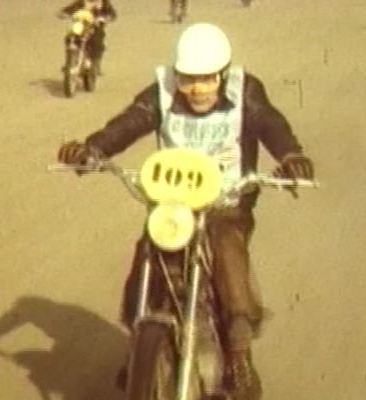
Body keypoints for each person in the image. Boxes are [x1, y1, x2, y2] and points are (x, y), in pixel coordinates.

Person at [56, 22, 315, 400]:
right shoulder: (161, 93)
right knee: (149, 249)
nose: (196, 88)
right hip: (174, 203)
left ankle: (240, 355)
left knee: (227, 249)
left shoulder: (247, 92)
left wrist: (291, 155)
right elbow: (128, 123)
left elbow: (271, 124)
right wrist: (93, 150)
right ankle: (138, 344)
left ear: (223, 75)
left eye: (207, 79)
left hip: (226, 203)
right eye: (188, 78)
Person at [57, 0, 117, 74]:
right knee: (69, 37)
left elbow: (112, 14)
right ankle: (70, 61)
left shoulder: (104, 2)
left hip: (95, 27)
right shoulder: (82, 1)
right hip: (81, 26)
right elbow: (70, 9)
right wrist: (64, 13)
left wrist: (104, 18)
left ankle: (95, 64)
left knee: (97, 42)